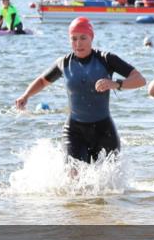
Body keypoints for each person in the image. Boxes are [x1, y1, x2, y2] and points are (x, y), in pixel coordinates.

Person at [15, 17, 145, 163]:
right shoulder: (64, 63)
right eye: (74, 38)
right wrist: (26, 95)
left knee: (108, 182)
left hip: (104, 130)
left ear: (91, 37)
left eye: (83, 38)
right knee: (73, 175)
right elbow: (42, 81)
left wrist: (115, 84)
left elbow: (140, 79)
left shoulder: (106, 59)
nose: (78, 43)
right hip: (74, 130)